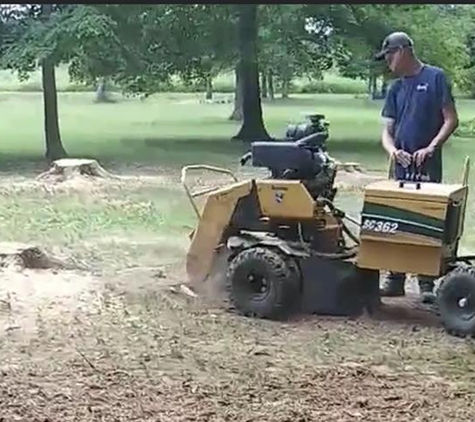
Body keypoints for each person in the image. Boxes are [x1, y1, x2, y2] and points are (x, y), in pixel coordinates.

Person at [374, 31, 459, 303]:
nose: (387, 62)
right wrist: (393, 151)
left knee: (427, 219)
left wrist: (432, 147)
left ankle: (426, 283)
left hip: (428, 164)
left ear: (402, 51)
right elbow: (386, 132)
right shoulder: (395, 88)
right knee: (398, 218)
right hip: (401, 166)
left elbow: (450, 119)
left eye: (388, 56)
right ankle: (395, 278)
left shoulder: (435, 78)